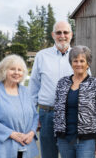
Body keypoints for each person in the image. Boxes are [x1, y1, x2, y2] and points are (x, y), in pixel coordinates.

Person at [29, 21, 74, 158]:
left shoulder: (79, 56)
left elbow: (87, 86)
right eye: (58, 32)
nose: (62, 36)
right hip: (47, 114)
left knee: (70, 155)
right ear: (52, 35)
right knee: (48, 155)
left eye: (65, 32)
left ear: (71, 35)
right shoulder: (41, 56)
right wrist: (33, 116)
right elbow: (33, 88)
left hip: (70, 115)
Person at [53, 45, 96, 158]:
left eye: (82, 61)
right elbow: (57, 110)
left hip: (87, 140)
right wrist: (57, 133)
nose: (78, 64)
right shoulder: (62, 83)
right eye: (75, 61)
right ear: (71, 63)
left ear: (88, 63)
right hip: (65, 139)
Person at [0, 54, 39, 158]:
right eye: (12, 69)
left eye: (20, 70)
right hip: (1, 149)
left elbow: (35, 116)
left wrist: (32, 133)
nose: (16, 72)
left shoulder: (26, 92)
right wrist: (11, 134)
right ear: (4, 71)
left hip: (25, 147)